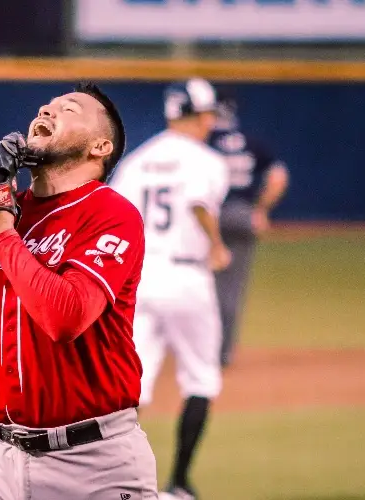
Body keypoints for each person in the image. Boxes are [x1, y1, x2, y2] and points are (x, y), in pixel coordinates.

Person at [0, 83, 159, 499]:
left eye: (69, 108)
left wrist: (2, 235)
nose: (47, 109)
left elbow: (65, 318)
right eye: (46, 105)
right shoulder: (3, 211)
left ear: (100, 146)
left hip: (93, 463)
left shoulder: (110, 213)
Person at [109, 78, 230, 500]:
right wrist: (216, 244)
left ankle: (115, 483)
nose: (212, 121)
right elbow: (199, 203)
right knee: (200, 377)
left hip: (138, 280)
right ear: (200, 116)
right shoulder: (207, 160)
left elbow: (115, 215)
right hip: (186, 276)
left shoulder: (139, 160)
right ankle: (179, 483)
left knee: (131, 389)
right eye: (210, 113)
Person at [208, 87, 290, 368]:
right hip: (242, 215)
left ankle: (198, 348)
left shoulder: (203, 142)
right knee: (231, 289)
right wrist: (260, 210)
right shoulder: (250, 142)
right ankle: (223, 354)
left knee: (200, 285)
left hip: (208, 217)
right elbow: (278, 176)